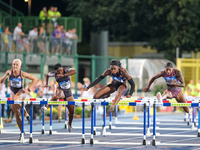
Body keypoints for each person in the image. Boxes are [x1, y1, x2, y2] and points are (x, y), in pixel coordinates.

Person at [0, 59, 37, 140]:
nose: (15, 66)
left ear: (20, 66)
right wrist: (6, 75)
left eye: (17, 65)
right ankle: (22, 132)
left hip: (20, 91)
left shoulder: (22, 74)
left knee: (16, 98)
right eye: (13, 64)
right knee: (16, 114)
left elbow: (34, 79)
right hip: (13, 92)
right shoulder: (9, 72)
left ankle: (26, 114)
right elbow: (1, 81)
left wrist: (30, 87)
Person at [41, 63, 77, 132]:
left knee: (72, 112)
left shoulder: (67, 70)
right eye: (57, 71)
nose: (59, 72)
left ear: (62, 68)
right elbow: (47, 75)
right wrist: (46, 83)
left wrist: (64, 75)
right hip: (60, 90)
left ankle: (69, 124)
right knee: (59, 95)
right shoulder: (54, 74)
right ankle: (46, 108)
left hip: (69, 93)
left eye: (60, 70)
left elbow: (75, 71)